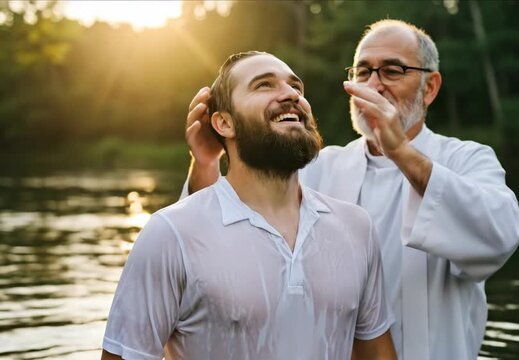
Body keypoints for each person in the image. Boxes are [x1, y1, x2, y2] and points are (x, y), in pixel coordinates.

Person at [183, 20, 519, 359]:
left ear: (430, 87)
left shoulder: (466, 159)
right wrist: (206, 163)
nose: (374, 84)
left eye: (392, 71)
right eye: (363, 72)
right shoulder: (315, 167)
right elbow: (208, 248)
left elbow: (499, 236)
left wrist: (400, 151)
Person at [102, 51, 397, 360]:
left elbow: (378, 354)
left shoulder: (356, 227)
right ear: (224, 123)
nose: (291, 94)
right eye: (264, 85)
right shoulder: (169, 233)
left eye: (296, 86)